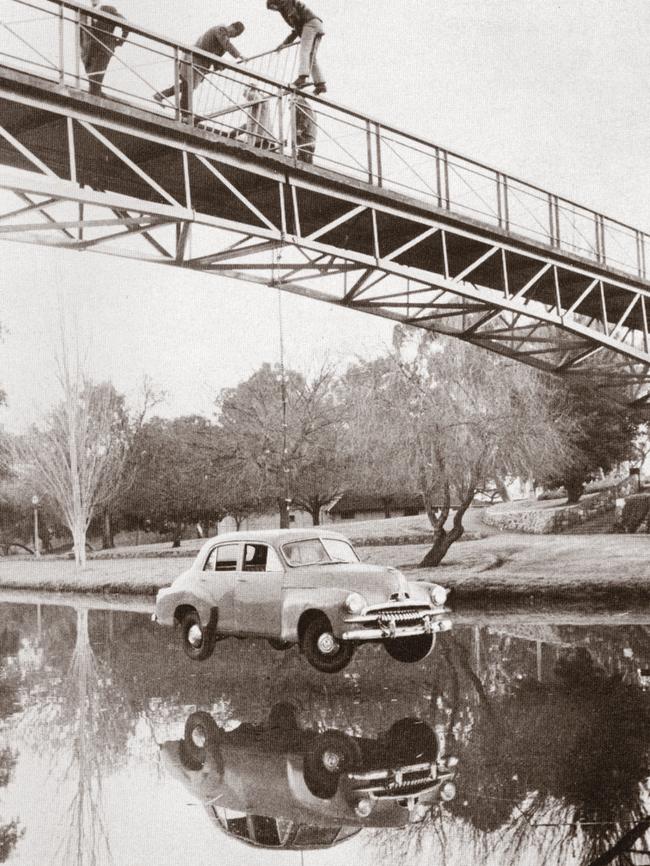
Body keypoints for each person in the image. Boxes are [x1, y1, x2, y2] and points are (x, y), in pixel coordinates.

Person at [154, 23, 247, 113]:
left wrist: (221, 66)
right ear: (232, 27)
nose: (231, 36)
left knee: (187, 86)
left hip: (199, 63)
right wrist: (240, 55)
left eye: (234, 36)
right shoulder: (221, 29)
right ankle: (185, 114)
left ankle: (162, 96)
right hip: (192, 58)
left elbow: (216, 58)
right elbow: (227, 44)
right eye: (233, 33)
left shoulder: (223, 44)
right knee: (188, 85)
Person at [266, 0, 326, 95]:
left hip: (309, 23)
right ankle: (320, 84)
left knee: (304, 51)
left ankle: (302, 77)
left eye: (272, 7)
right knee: (311, 56)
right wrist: (284, 43)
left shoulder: (285, 3)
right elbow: (295, 29)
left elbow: (295, 20)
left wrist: (289, 41)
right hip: (317, 24)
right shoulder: (285, 7)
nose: (275, 10)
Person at [79, 0, 129, 97]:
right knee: (92, 77)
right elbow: (80, 32)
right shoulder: (83, 12)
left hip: (104, 48)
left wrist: (120, 41)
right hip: (88, 51)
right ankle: (96, 94)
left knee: (97, 74)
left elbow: (125, 24)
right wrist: (82, 49)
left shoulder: (108, 9)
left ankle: (95, 98)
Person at [294, 94, 316, 163]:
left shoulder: (300, 102)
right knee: (307, 158)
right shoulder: (308, 106)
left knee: (304, 158)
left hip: (305, 136)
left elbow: (305, 117)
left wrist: (299, 130)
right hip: (311, 137)